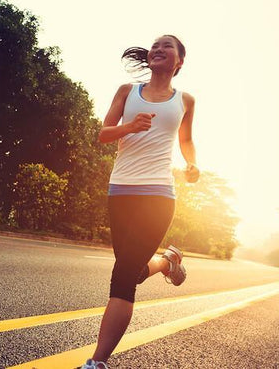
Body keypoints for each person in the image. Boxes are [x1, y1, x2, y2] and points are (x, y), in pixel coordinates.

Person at [81, 34, 199, 369]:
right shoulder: (126, 92)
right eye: (155, 46)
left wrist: (192, 163)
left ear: (179, 62)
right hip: (120, 190)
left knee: (122, 275)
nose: (159, 49)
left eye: (168, 47)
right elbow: (103, 134)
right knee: (130, 271)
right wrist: (130, 126)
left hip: (159, 194)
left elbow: (186, 140)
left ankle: (97, 362)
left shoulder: (185, 100)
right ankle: (167, 262)